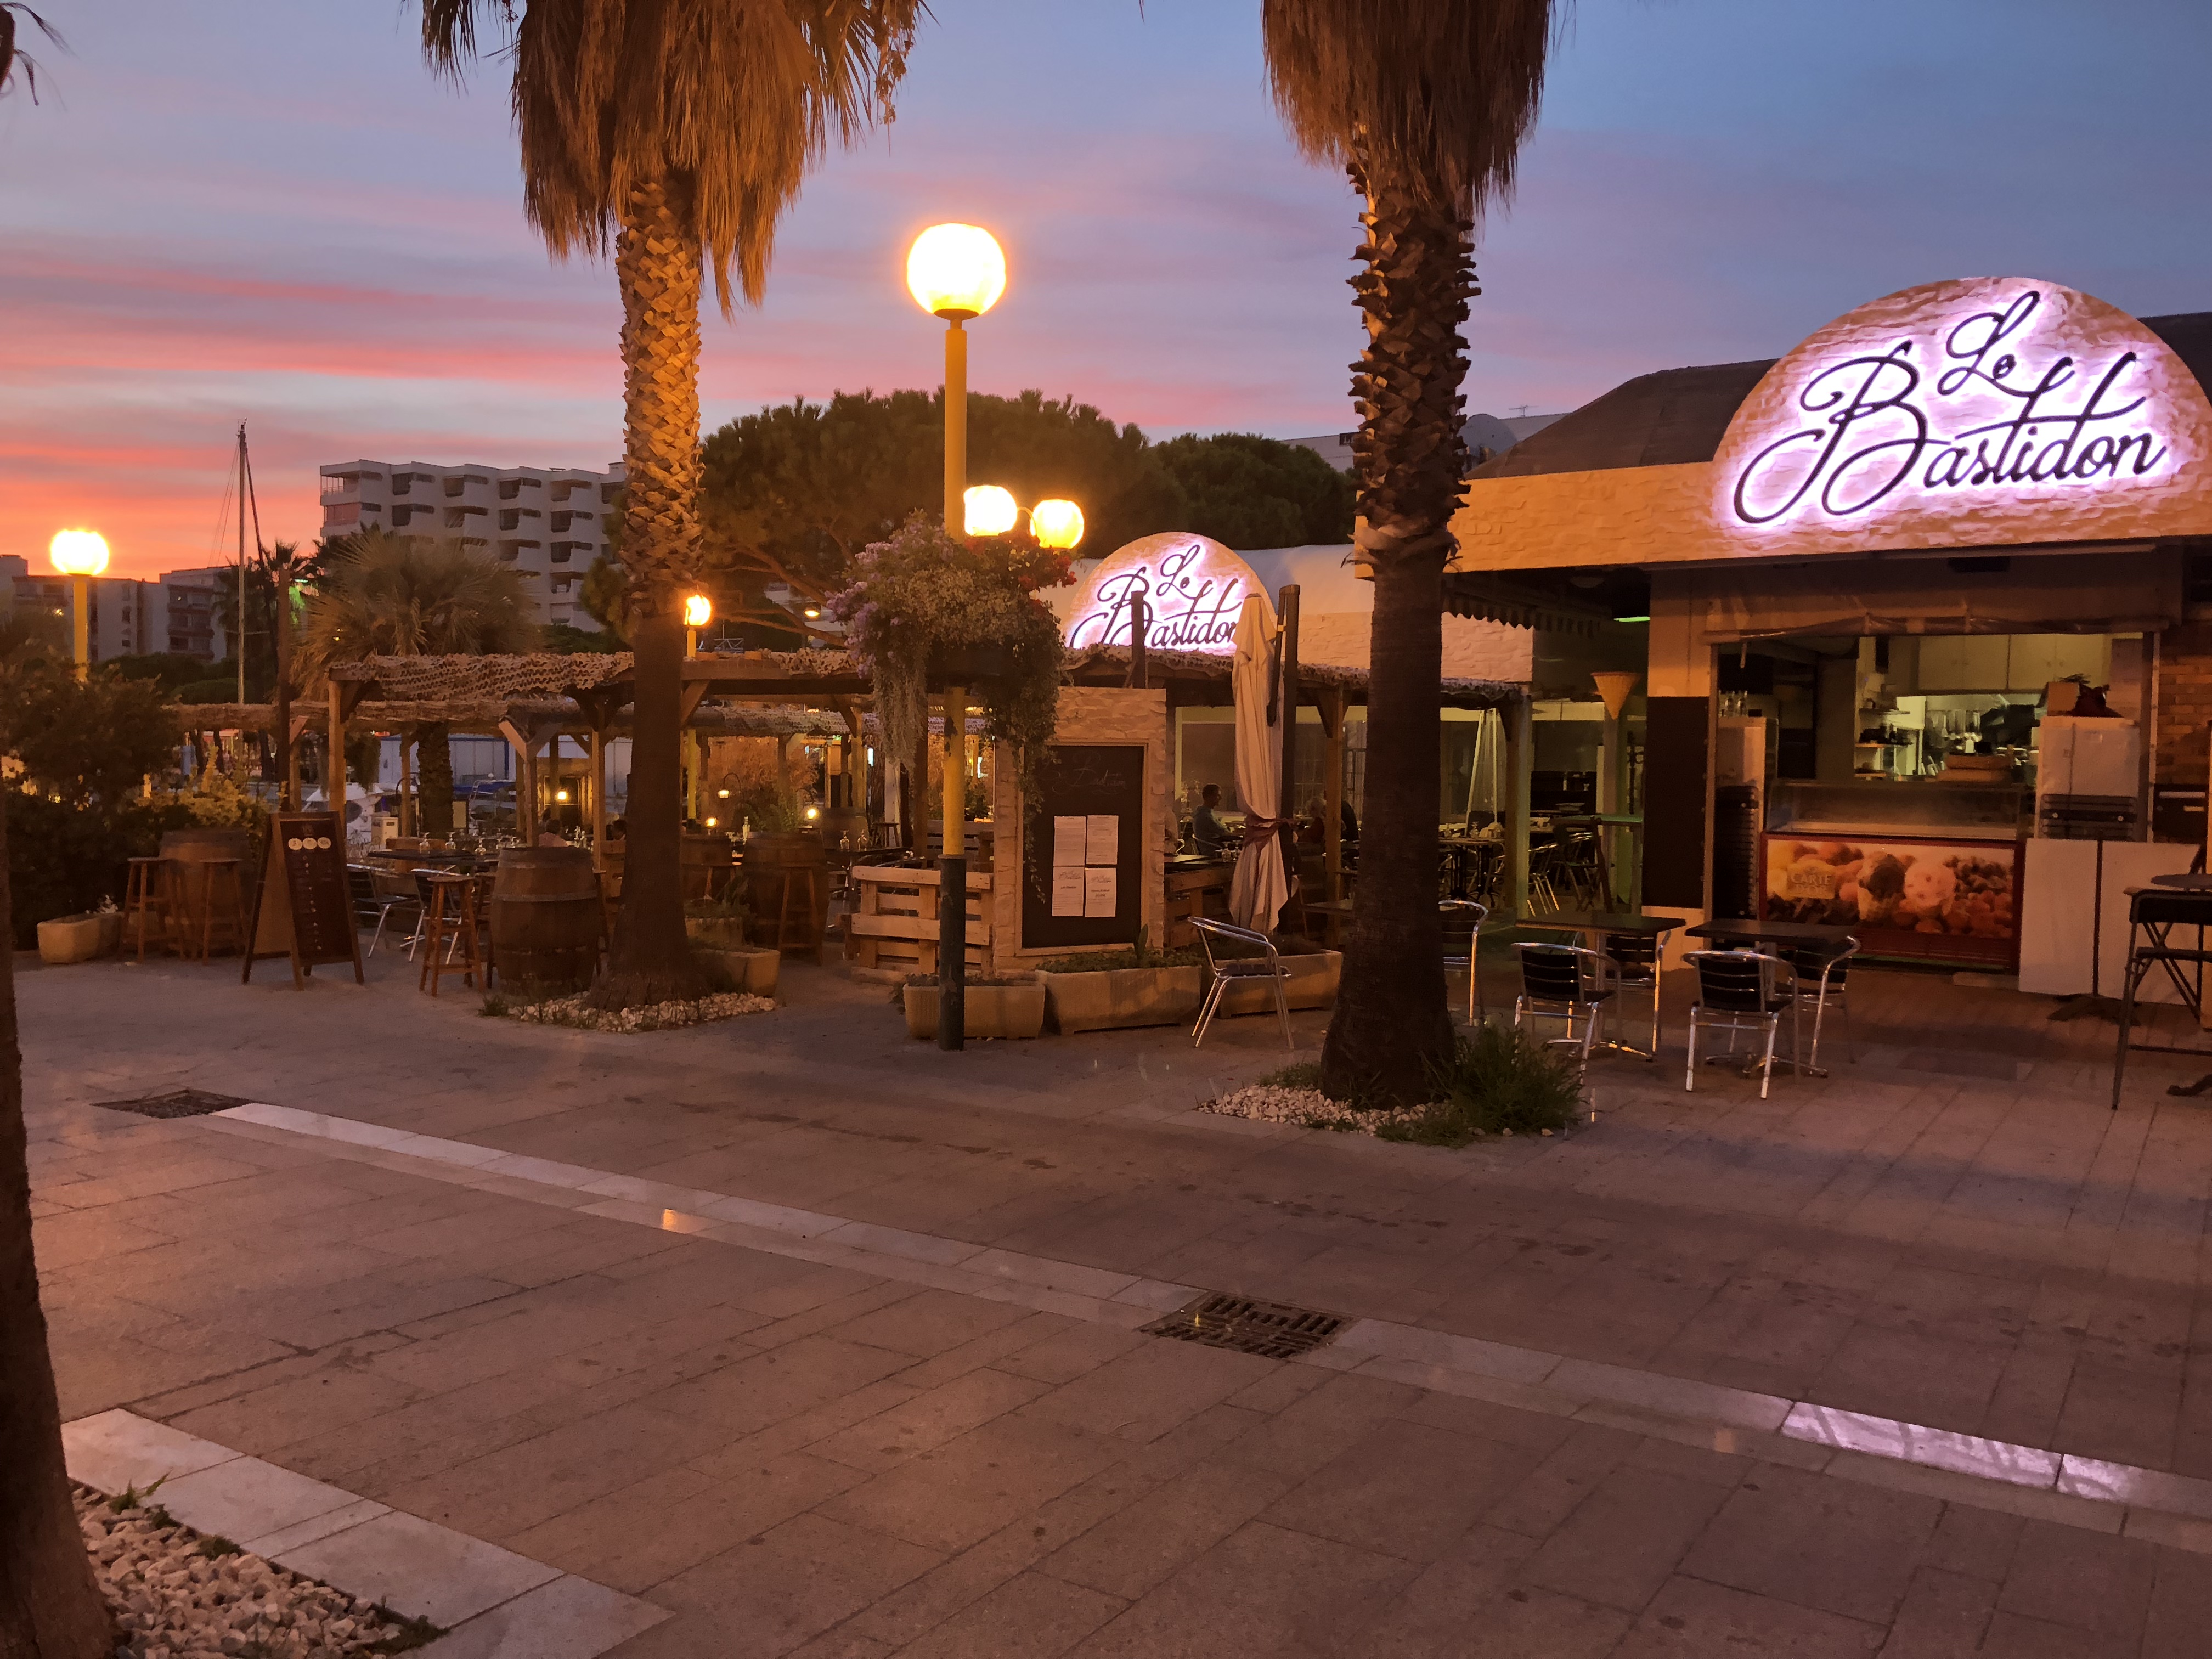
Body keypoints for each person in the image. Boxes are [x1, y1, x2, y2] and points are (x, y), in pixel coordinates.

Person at [1193, 784, 1231, 856]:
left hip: (1214, 847)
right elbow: (1224, 833)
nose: (1221, 798)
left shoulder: (1206, 813)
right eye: (1218, 795)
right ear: (1209, 797)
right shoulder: (1205, 816)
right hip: (1215, 850)